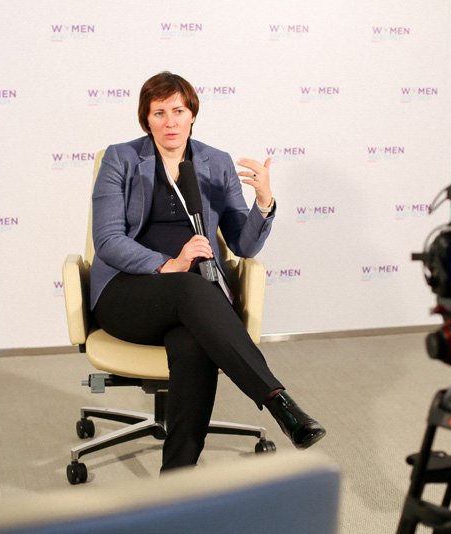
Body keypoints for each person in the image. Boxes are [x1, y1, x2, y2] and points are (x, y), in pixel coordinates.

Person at [90, 71, 325, 472]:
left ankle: (177, 479)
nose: (170, 122)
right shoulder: (121, 158)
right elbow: (108, 239)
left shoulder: (216, 162)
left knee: (192, 343)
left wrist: (264, 202)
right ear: (146, 119)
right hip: (129, 293)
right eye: (159, 113)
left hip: (196, 300)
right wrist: (168, 265)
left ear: (192, 115)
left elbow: (243, 244)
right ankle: (277, 401)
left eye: (178, 111)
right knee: (189, 288)